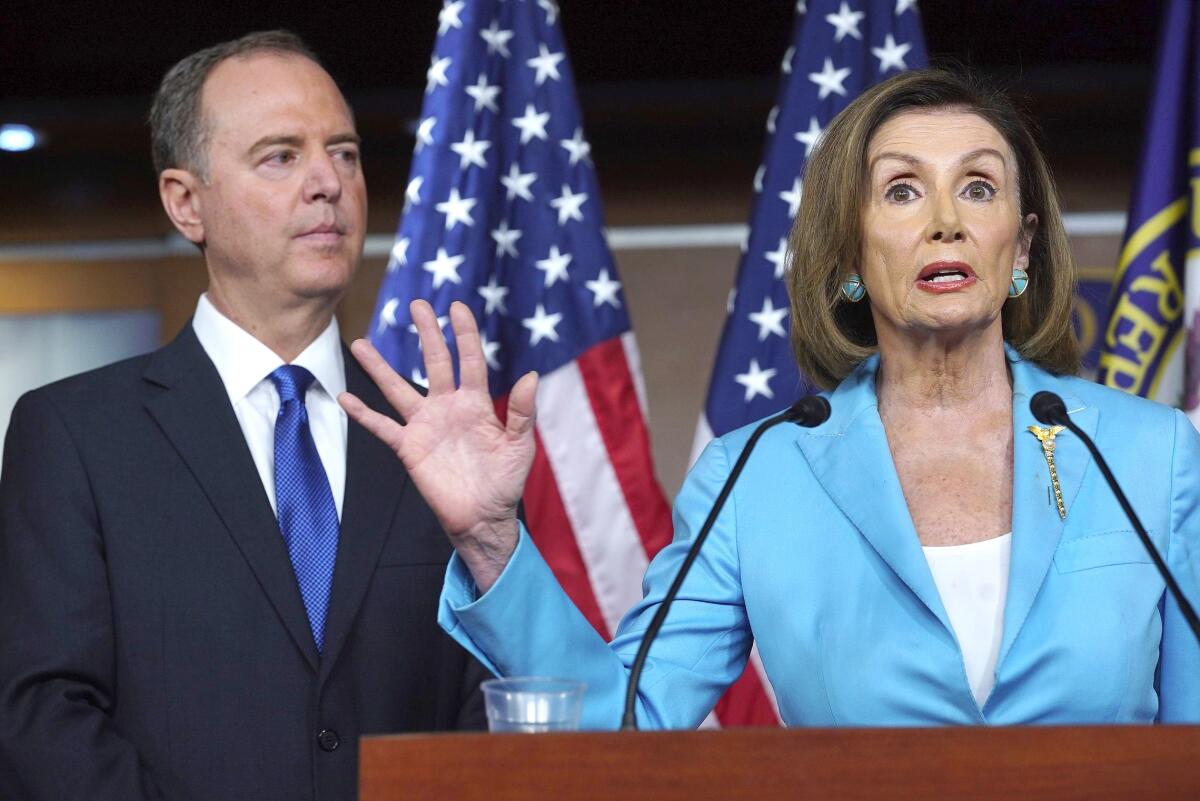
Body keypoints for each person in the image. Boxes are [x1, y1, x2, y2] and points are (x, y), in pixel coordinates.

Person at [340, 68, 1200, 728]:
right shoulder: (757, 474)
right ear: (854, 256)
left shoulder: (1147, 455)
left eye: (978, 186)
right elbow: (626, 719)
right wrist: (492, 540)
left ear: (1022, 249)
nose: (946, 220)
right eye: (902, 189)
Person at [0, 31, 488, 801]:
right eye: (281, 155)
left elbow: (491, 710)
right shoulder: (74, 436)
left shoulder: (433, 443)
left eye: (346, 153)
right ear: (185, 202)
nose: (328, 181)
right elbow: (41, 718)